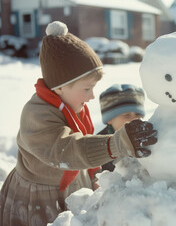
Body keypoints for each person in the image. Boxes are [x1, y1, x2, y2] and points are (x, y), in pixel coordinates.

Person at [0, 21, 157, 226]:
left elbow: (84, 142)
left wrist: (93, 176)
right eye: (86, 89)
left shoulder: (71, 105)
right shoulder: (36, 115)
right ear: (60, 87)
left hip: (72, 181)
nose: (92, 96)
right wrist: (117, 143)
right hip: (41, 197)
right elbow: (68, 149)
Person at [98, 84, 146, 171]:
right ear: (109, 119)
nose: (134, 119)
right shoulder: (98, 146)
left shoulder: (148, 137)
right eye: (126, 115)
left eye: (138, 114)